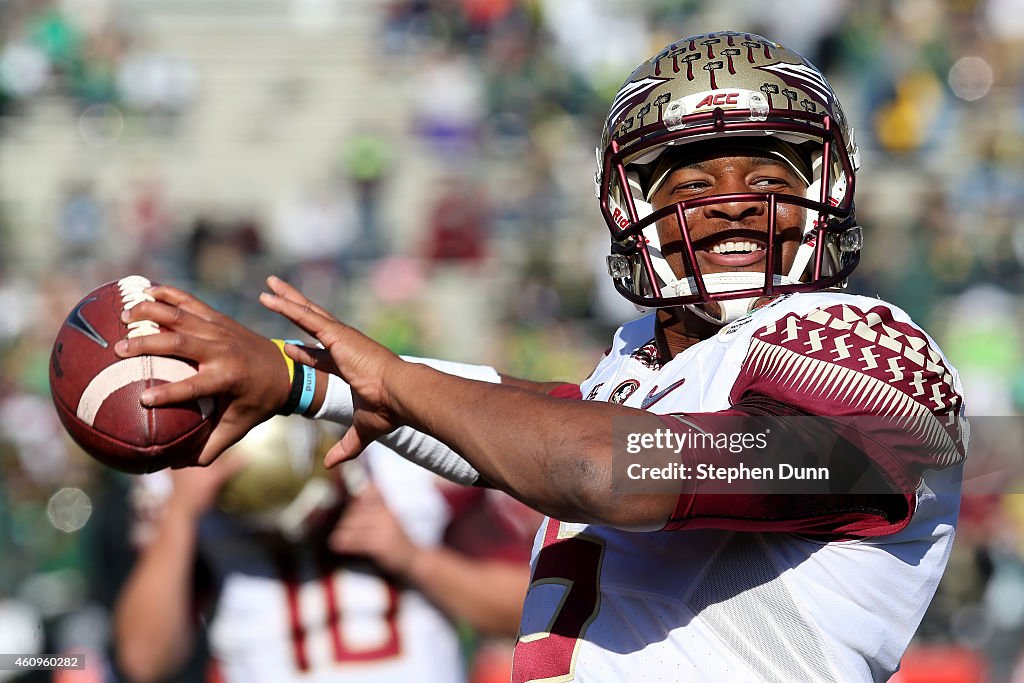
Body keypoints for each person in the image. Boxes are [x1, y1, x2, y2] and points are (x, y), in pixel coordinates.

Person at [113, 31, 969, 682]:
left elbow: (614, 465)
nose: (734, 205)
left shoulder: (876, 357)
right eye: (693, 185)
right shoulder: (641, 364)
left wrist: (392, 379)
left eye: (768, 178)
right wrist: (308, 382)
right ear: (629, 206)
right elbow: (536, 411)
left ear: (829, 187)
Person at [113, 416, 536, 683]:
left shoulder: (407, 467)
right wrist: (180, 519)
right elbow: (144, 661)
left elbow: (532, 611)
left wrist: (416, 560)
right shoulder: (197, 506)